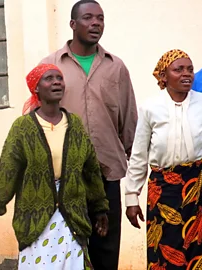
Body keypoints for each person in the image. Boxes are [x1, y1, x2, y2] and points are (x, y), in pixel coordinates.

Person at [0, 64, 109, 270]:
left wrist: (100, 208)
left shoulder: (74, 125)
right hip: (35, 219)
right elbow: (7, 172)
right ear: (36, 88)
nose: (57, 82)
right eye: (49, 78)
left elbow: (91, 171)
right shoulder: (23, 128)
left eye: (59, 78)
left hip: (72, 216)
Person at [39, 1, 137, 269]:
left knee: (105, 247)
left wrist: (133, 161)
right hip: (63, 175)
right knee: (68, 248)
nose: (96, 23)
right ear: (72, 24)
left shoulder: (116, 67)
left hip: (106, 172)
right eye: (88, 18)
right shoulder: (50, 66)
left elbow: (129, 119)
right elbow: (37, 119)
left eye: (100, 18)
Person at [125, 49, 202, 269]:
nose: (186, 74)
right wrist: (132, 197)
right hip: (162, 190)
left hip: (197, 187)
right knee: (164, 249)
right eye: (178, 69)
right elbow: (139, 156)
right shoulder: (151, 107)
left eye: (189, 69)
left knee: (198, 250)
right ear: (163, 76)